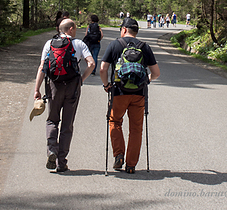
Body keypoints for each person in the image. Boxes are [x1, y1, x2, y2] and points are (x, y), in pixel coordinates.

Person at [100, 17, 160, 174]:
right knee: (136, 129)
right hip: (139, 94)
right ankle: (131, 164)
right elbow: (156, 73)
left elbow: (103, 69)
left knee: (115, 121)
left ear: (124, 29)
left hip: (119, 92)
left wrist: (106, 85)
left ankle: (118, 154)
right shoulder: (144, 47)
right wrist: (146, 80)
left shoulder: (115, 44)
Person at [34, 18, 95, 172]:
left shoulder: (49, 44)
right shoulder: (79, 44)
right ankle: (62, 162)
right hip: (73, 87)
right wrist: (81, 79)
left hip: (54, 85)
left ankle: (52, 150)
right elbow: (91, 64)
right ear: (71, 29)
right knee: (67, 125)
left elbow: (42, 67)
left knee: (52, 120)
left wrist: (37, 89)